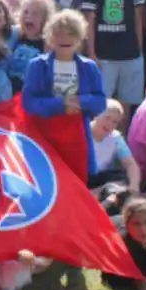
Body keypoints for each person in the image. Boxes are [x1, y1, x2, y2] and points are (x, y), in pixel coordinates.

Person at [22, 10, 107, 175]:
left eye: (71, 33)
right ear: (50, 37)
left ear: (80, 37)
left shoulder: (89, 67)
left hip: (77, 138)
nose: (65, 38)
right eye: (59, 33)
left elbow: (100, 102)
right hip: (44, 137)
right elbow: (29, 102)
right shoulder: (37, 65)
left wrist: (79, 102)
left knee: (76, 188)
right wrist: (61, 104)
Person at [83, 0, 146, 118]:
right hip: (104, 52)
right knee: (103, 101)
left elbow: (138, 18)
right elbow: (90, 21)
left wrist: (139, 48)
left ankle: (123, 138)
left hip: (129, 51)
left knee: (126, 102)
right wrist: (92, 52)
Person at [89, 99, 142, 214]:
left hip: (103, 180)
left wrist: (134, 186)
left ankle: (104, 201)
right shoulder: (83, 132)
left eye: (115, 122)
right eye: (107, 118)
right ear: (97, 114)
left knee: (121, 180)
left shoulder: (115, 138)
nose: (110, 124)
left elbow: (130, 164)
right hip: (83, 177)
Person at [7, 0, 54, 93]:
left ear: (44, 19)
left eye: (35, 14)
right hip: (10, 91)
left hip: (30, 92)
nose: (29, 16)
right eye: (26, 12)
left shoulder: (46, 44)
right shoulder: (16, 37)